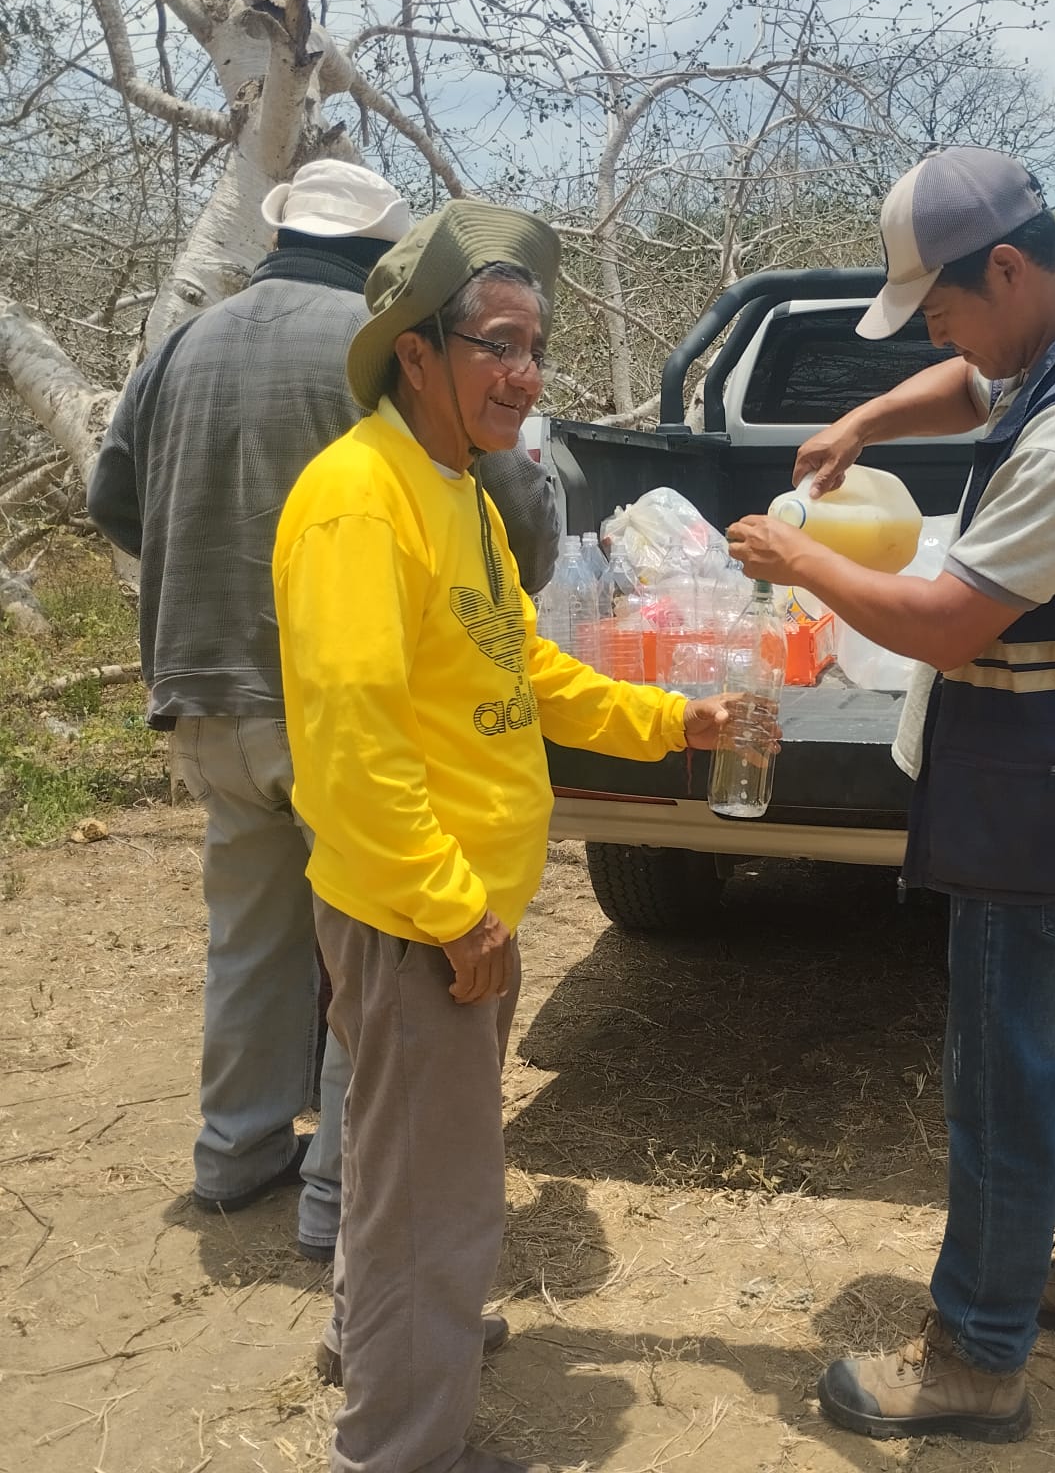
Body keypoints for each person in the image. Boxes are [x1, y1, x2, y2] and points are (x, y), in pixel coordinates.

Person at [727, 146, 1055, 1444]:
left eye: (942, 306)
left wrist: (797, 559)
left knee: (1006, 1079)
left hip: (1054, 804)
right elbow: (974, 379)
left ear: (1006, 267)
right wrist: (864, 423)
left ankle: (976, 1357)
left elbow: (948, 623)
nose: (937, 336)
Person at [272, 198, 736, 1473]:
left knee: (405, 1172)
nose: (524, 375)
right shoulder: (360, 499)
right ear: (415, 353)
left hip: (456, 904)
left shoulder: (458, 490)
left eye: (534, 347)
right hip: (421, 914)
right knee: (436, 1195)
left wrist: (670, 720)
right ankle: (399, 1445)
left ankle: (384, 1341)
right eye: (497, 344)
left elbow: (520, 664)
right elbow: (353, 744)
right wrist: (451, 910)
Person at [87, 161, 418, 1261]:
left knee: (250, 938)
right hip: (333, 704)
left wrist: (199, 559)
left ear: (279, 239)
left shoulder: (183, 344)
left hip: (203, 697)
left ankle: (234, 1155)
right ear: (382, 258)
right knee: (370, 947)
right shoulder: (379, 350)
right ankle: (335, 1198)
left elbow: (110, 499)